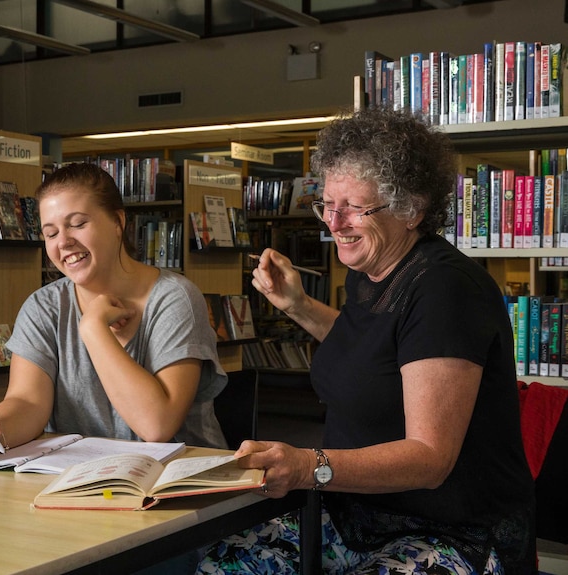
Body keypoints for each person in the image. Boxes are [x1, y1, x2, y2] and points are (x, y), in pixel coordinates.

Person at [197, 107, 536, 575]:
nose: (333, 223)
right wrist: (296, 305)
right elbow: (374, 350)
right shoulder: (372, 272)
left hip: (450, 532)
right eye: (327, 205)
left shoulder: (445, 290)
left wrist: (306, 465)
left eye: (355, 207)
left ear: (411, 208)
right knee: (224, 563)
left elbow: (429, 458)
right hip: (355, 515)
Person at [0, 162, 228, 465]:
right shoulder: (42, 307)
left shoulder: (176, 298)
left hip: (180, 482)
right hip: (79, 479)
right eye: (51, 232)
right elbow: (27, 401)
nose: (64, 241)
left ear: (117, 222)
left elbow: (157, 425)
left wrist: (94, 330)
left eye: (78, 224)